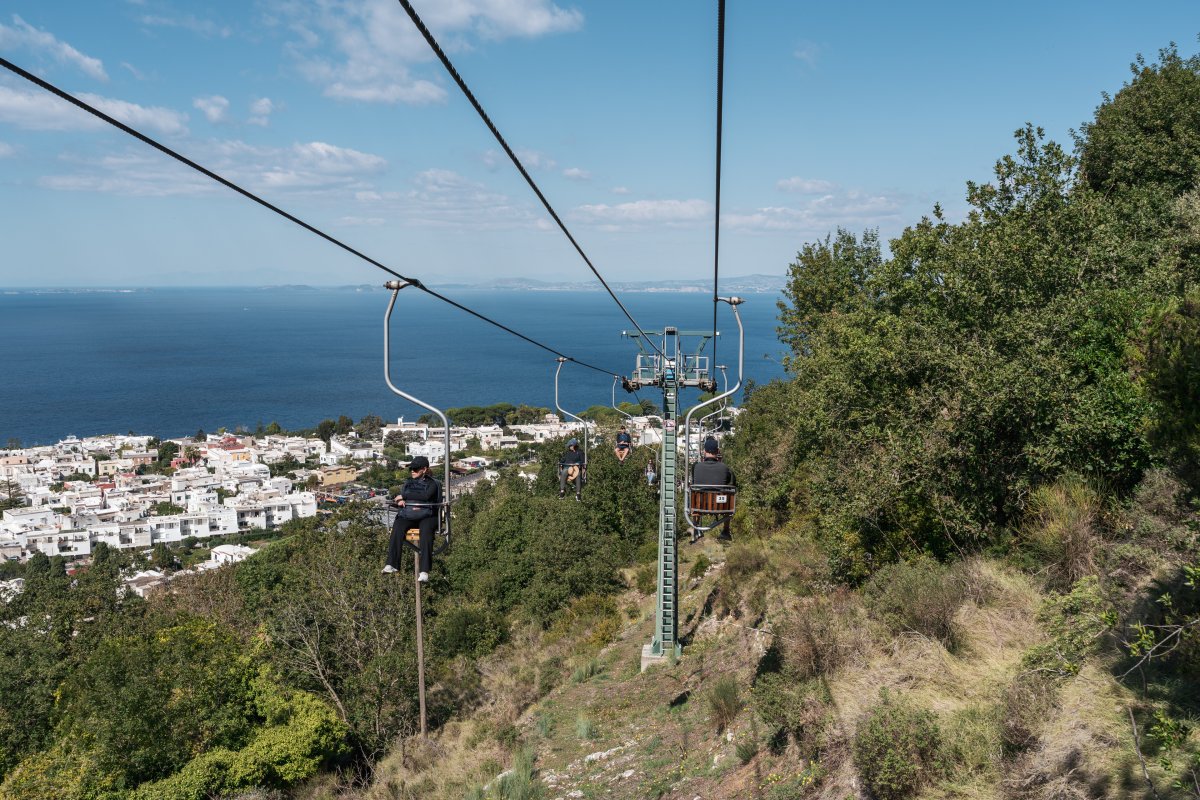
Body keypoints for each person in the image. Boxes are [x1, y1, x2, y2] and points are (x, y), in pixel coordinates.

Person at [383, 456, 442, 582]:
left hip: (428, 515)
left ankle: (424, 570)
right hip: (410, 514)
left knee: (426, 530)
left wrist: (404, 496)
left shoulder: (433, 483)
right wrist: (399, 500)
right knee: (398, 525)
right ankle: (392, 564)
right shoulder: (408, 483)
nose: (412, 471)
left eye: (415, 469)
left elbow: (426, 496)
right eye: (411, 469)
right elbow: (403, 497)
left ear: (424, 469)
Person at [691, 437, 735, 537]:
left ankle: (695, 527)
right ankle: (726, 530)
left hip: (699, 505)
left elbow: (694, 482)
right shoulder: (724, 467)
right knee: (728, 495)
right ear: (718, 451)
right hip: (721, 505)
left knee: (696, 495)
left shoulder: (697, 467)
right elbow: (730, 481)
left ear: (704, 451)